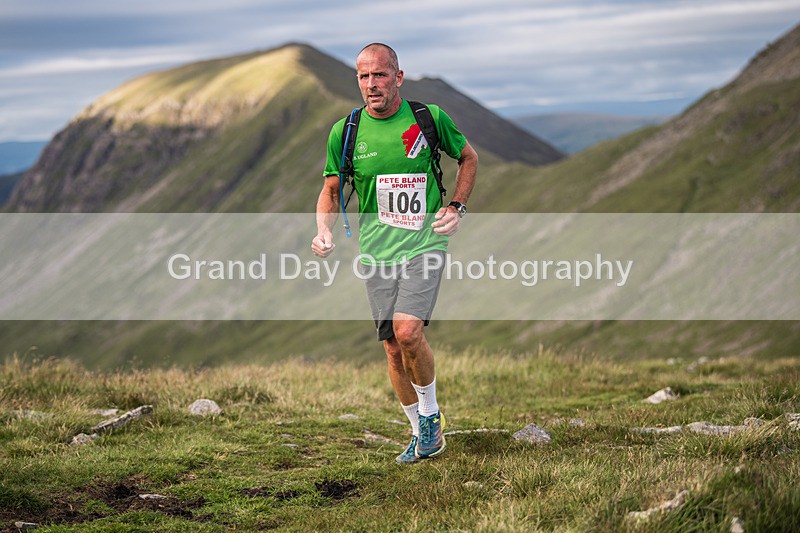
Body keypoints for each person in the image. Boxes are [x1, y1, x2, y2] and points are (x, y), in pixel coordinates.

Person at [311, 43, 478, 464]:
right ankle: (419, 430)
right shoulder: (345, 132)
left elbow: (468, 158)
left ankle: (430, 417)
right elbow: (331, 191)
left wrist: (456, 206)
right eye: (364, 77)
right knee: (391, 347)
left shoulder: (428, 119)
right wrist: (322, 232)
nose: (372, 84)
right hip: (377, 252)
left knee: (408, 332)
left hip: (425, 244)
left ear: (398, 77)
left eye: (380, 75)